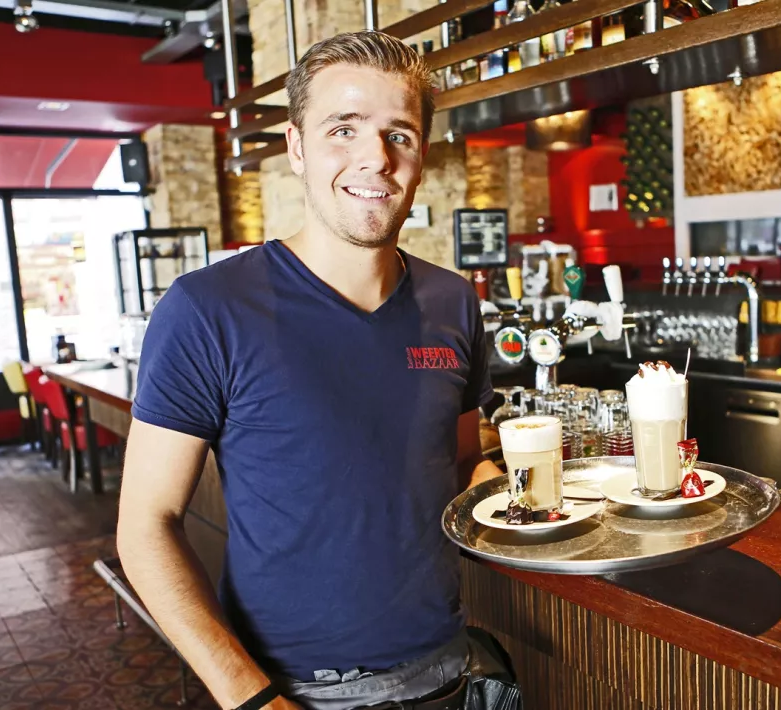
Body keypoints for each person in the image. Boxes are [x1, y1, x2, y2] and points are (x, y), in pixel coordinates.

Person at [117, 30, 504, 710]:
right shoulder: (208, 310)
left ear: (421, 156)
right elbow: (146, 526)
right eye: (343, 130)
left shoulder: (454, 301)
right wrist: (254, 699)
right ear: (296, 147)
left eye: (399, 135)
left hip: (446, 671)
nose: (375, 160)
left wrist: (524, 497)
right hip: (293, 692)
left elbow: (464, 462)